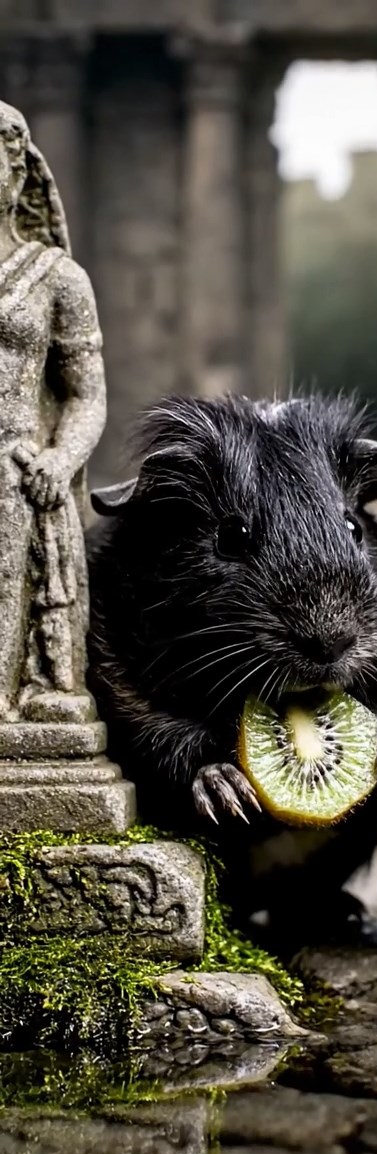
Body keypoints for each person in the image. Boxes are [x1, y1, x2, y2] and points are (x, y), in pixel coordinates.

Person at [0, 101, 106, 718]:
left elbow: (86, 394)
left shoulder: (58, 277)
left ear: (18, 174)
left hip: (20, 475)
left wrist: (61, 459)